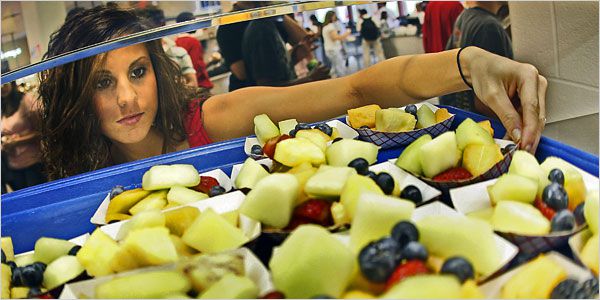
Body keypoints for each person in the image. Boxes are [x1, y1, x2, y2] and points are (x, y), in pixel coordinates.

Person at [37, 6, 546, 180]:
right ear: (76, 100)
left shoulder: (210, 119)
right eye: (104, 83)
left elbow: (355, 87)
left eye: (138, 72)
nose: (127, 98)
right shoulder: (76, 170)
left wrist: (467, 62)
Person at [216, 1, 320, 91]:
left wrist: (275, 11)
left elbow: (304, 40)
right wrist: (308, 79)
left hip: (277, 90)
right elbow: (244, 73)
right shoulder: (232, 26)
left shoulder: (271, 18)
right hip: (251, 96)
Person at [442, 1, 514, 117]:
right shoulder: (488, 27)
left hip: (463, 116)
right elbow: (487, 101)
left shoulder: (464, 16)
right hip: (484, 124)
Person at [241, 16, 330, 87]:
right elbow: (267, 87)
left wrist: (294, 56)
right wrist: (310, 79)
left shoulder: (269, 25)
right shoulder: (261, 30)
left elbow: (276, 70)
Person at [1, 80, 47, 192]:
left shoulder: (27, 100)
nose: (2, 87)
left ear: (11, 82)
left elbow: (42, 132)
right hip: (13, 167)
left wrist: (17, 141)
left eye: (4, 82)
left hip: (33, 164)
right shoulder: (3, 106)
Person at [175, 12, 214, 90]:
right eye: (193, 21)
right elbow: (196, 66)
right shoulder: (193, 42)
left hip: (187, 85)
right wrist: (212, 61)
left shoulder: (176, 42)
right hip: (200, 85)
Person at [322, 11, 351, 77]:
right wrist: (347, 33)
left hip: (329, 49)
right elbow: (335, 38)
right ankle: (343, 81)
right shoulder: (330, 26)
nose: (335, 18)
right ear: (331, 17)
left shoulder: (325, 27)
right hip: (333, 49)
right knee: (339, 67)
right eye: (334, 16)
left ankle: (333, 80)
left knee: (334, 67)